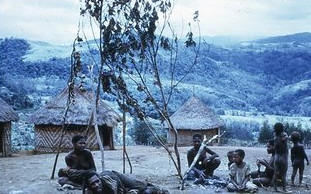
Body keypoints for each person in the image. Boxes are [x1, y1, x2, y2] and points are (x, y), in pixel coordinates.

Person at [85, 170, 169, 194]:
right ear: (88, 186)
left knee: (139, 185)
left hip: (116, 177)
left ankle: (159, 189)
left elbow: (119, 190)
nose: (96, 185)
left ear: (100, 180)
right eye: (92, 184)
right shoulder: (88, 192)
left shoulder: (110, 183)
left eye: (97, 181)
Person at [272, 122, 288, 192]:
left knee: (276, 173)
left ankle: (275, 188)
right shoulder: (284, 136)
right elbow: (286, 138)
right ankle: (284, 189)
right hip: (283, 157)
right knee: (284, 174)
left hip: (276, 156)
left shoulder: (275, 136)